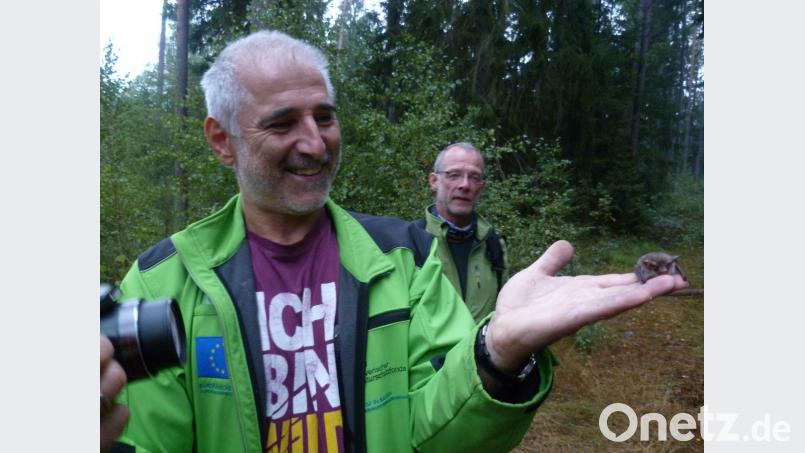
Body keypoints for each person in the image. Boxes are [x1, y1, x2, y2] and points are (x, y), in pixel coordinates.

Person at [105, 30, 686, 453]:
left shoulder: (402, 259)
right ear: (221, 139)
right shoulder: (164, 281)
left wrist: (496, 356)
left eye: (325, 117)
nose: (314, 143)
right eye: (282, 123)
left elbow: (440, 436)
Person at [420, 142, 506, 322]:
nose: (465, 185)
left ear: (481, 188)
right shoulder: (412, 243)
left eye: (474, 177)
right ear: (434, 182)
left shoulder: (494, 246)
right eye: (454, 175)